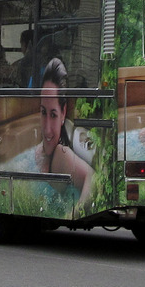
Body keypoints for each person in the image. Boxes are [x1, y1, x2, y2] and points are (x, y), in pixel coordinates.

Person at [37, 57, 95, 202]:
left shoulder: (62, 153)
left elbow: (93, 178)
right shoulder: (40, 152)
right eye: (43, 112)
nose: (47, 129)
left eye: (53, 115)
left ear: (63, 113)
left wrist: (77, 213)